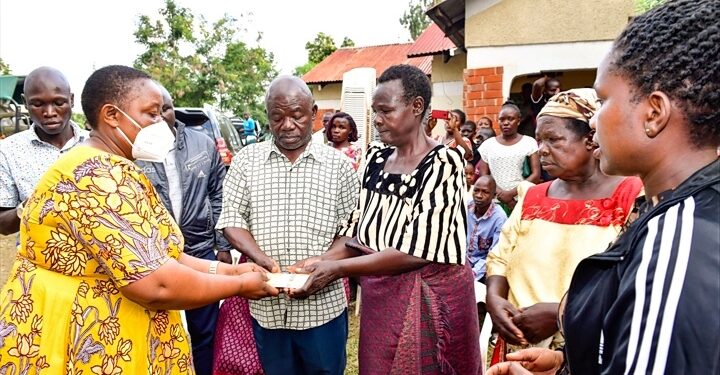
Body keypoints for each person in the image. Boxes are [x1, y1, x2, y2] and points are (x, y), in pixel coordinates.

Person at [0, 65, 278, 374]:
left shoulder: (107, 163)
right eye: (151, 114)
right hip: (88, 336)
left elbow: (158, 254)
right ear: (112, 115)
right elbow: (154, 283)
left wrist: (225, 271)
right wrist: (239, 285)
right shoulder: (100, 176)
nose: (161, 123)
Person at [488, 1, 719, 374]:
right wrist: (567, 366)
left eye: (604, 100)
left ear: (654, 113)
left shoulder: (679, 238)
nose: (594, 120)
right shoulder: (674, 213)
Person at [288, 64, 482, 374]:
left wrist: (335, 269)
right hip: (383, 301)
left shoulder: (444, 162)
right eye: (374, 111)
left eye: (385, 111)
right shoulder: (376, 157)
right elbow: (358, 233)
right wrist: (319, 261)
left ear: (416, 107)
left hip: (429, 303)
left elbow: (417, 250)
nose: (376, 120)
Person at [214, 75, 359, 375]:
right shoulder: (246, 161)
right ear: (267, 117)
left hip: (323, 308)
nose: (287, 125)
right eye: (277, 117)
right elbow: (232, 219)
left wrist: (322, 263)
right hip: (267, 307)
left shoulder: (339, 166)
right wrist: (261, 258)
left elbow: (351, 231)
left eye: (297, 115)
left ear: (314, 113)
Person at [485, 88, 643, 355]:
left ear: (591, 140)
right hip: (519, 346)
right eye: (539, 141)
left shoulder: (631, 198)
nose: (542, 151)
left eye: (553, 140)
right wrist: (494, 299)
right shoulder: (532, 195)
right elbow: (500, 257)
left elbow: (632, 282)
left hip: (587, 350)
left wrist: (560, 313)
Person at [134, 84, 231, 375]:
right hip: (153, 257)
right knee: (156, 330)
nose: (160, 117)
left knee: (205, 331)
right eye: (151, 112)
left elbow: (218, 193)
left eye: (165, 108)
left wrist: (222, 244)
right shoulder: (134, 149)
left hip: (201, 250)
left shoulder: (201, 143)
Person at [0, 66, 88, 235]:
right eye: (38, 104)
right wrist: (31, 207)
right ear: (25, 102)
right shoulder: (7, 151)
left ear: (71, 100)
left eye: (58, 102)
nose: (49, 112)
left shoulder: (96, 145)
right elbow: (2, 225)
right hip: (39, 258)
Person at [476, 102, 541, 213]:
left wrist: (511, 194)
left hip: (520, 201)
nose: (506, 123)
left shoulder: (529, 143)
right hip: (494, 202)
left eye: (510, 119)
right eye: (502, 119)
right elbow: (484, 175)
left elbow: (536, 175)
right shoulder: (488, 145)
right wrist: (502, 195)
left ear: (519, 121)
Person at [467, 175, 507, 333]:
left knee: (487, 291)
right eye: (476, 190)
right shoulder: (465, 208)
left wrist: (473, 272)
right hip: (463, 261)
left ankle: (485, 330)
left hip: (485, 265)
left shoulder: (499, 218)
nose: (479, 195)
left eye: (484, 192)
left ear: (493, 196)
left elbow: (494, 254)